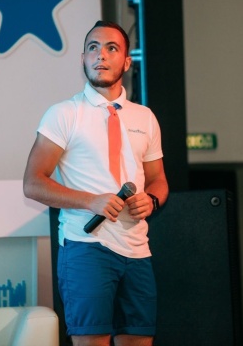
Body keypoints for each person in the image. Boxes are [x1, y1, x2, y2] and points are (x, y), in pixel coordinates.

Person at [23, 20, 168, 346]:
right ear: (83, 59)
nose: (100, 55)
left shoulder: (145, 117)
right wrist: (91, 201)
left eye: (111, 48)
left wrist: (152, 200)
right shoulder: (64, 113)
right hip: (86, 247)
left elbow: (159, 180)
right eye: (93, 48)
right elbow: (33, 183)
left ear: (127, 62)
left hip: (138, 250)